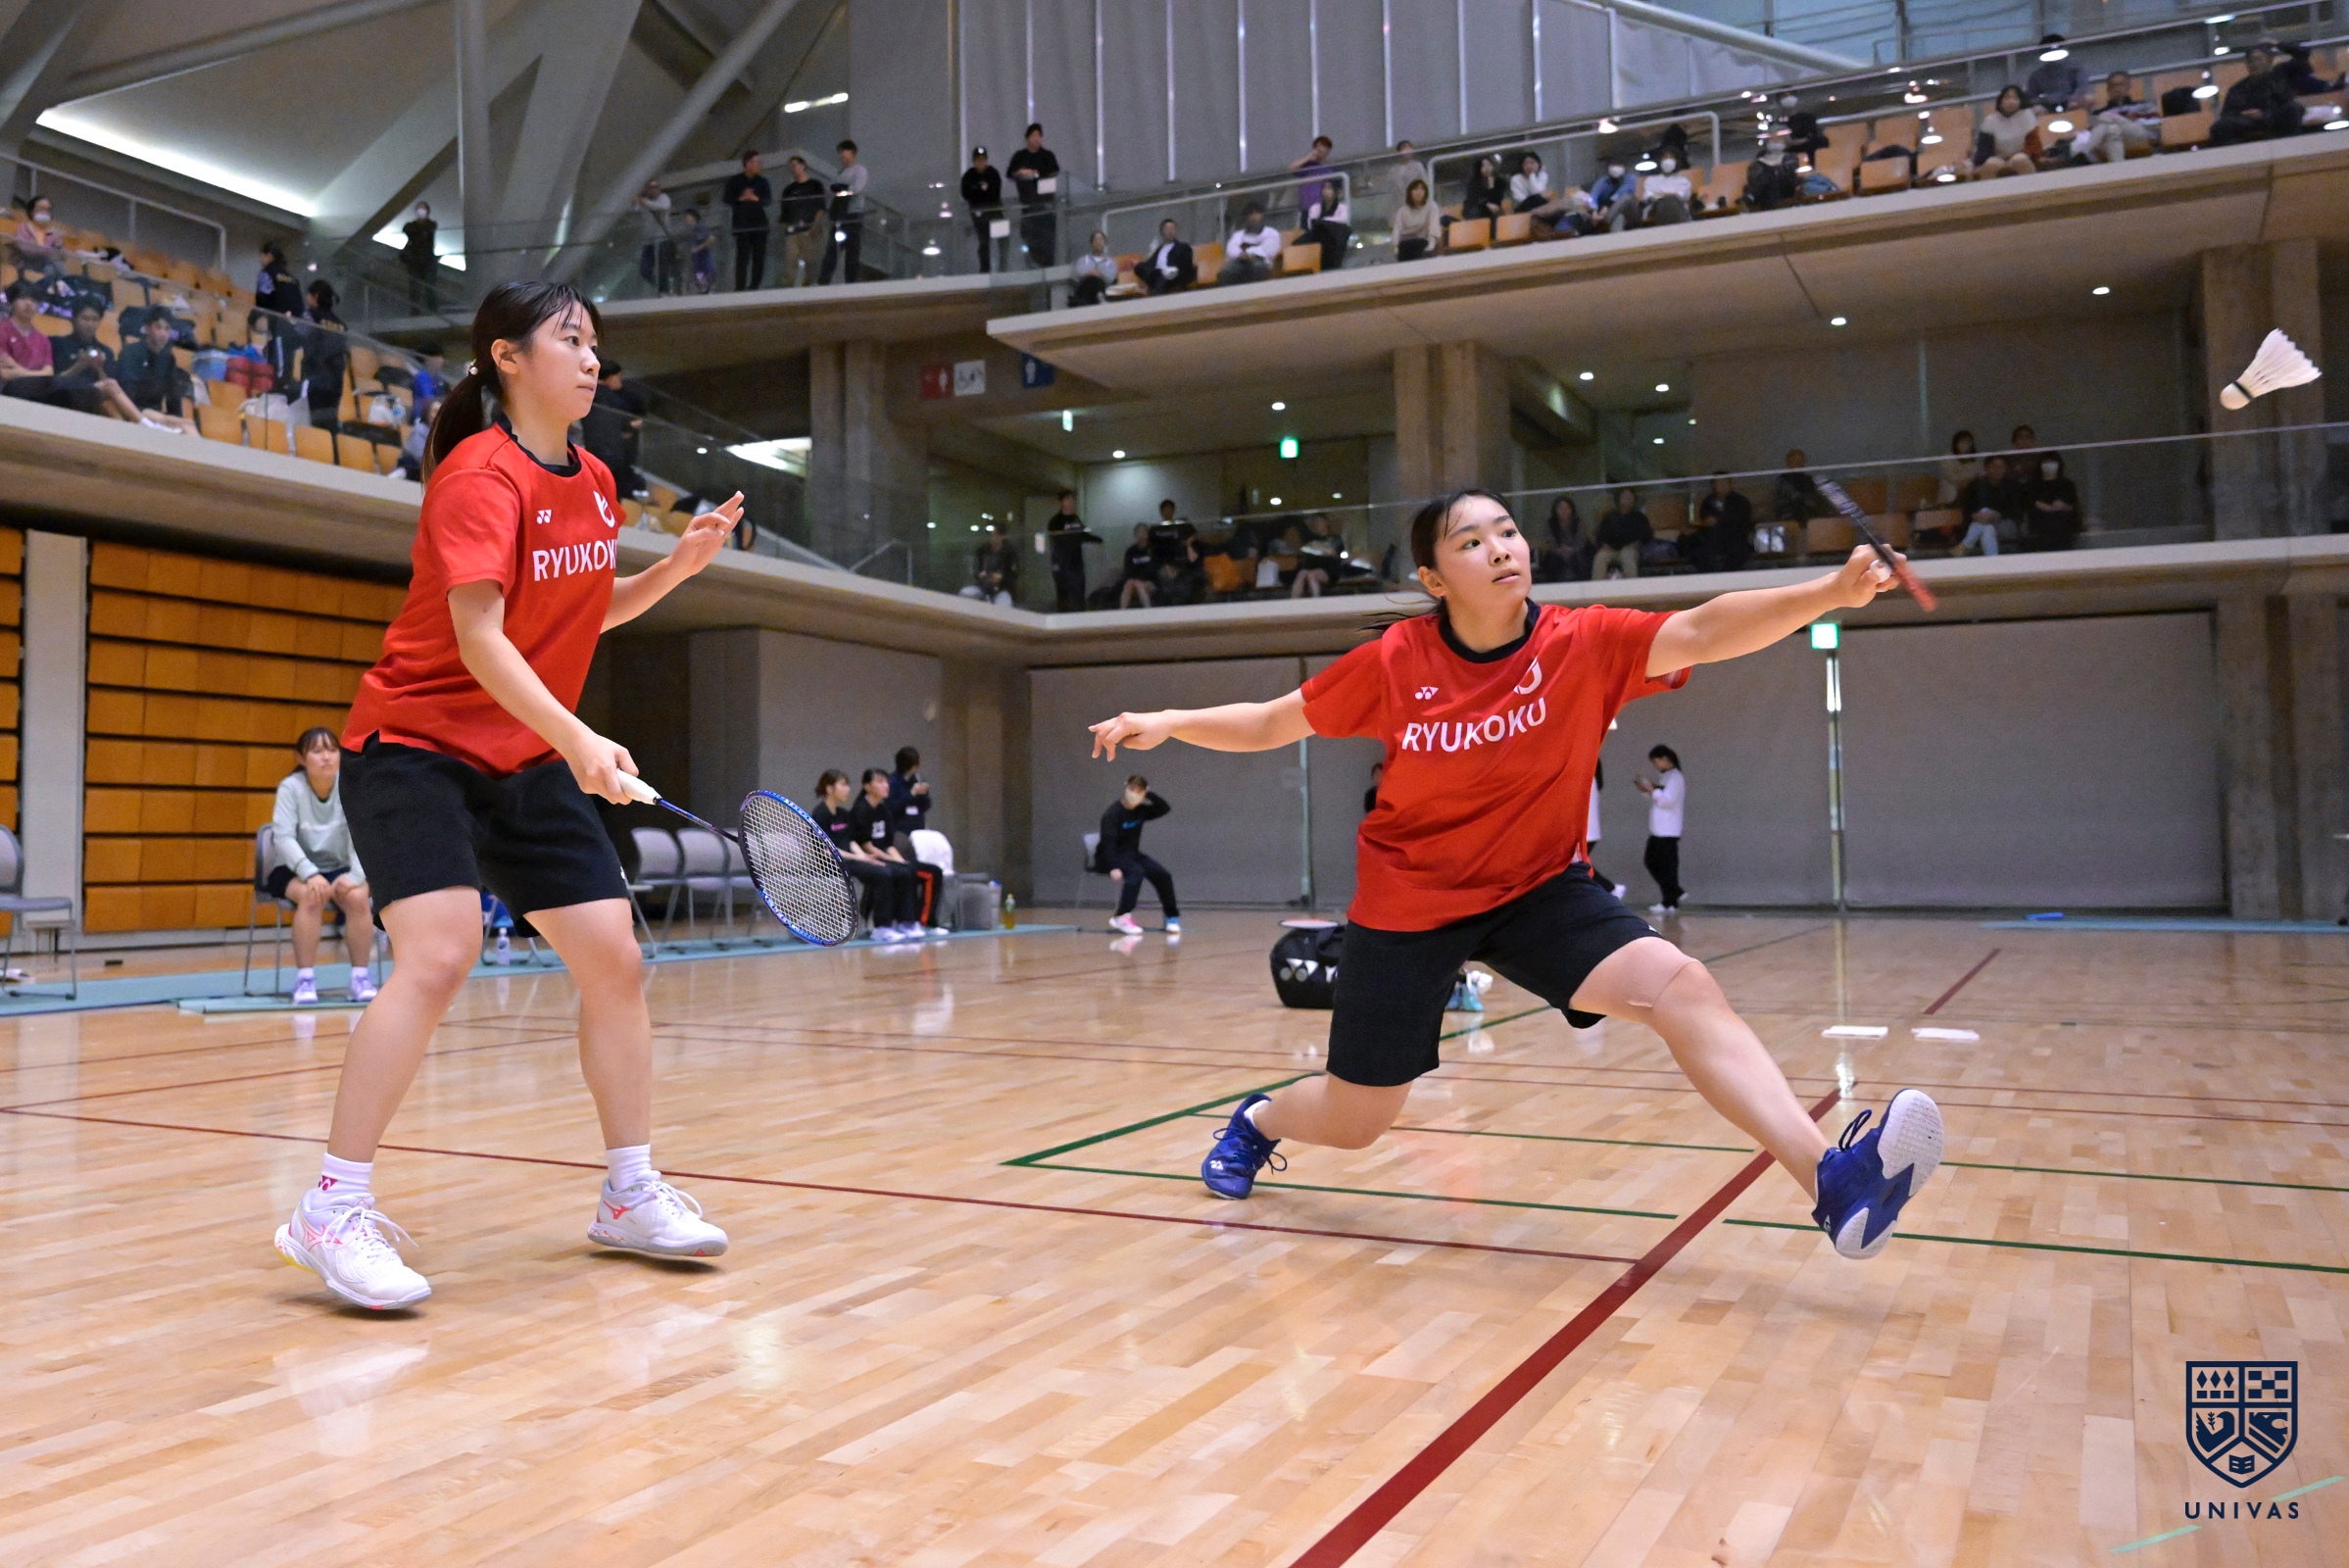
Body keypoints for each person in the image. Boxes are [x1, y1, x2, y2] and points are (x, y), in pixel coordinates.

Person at [1087, 488, 1943, 1260]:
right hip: (1410, 903)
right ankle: (1257, 1121)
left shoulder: (1581, 643)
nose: (1499, 548)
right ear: (1433, 579)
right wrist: (1171, 720)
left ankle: (1832, 1181)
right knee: (1357, 1119)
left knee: (1681, 988)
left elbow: (1703, 630)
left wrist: (1829, 592)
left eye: (1506, 531)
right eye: (1470, 541)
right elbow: (1273, 723)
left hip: (1536, 888)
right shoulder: (1396, 661)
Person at [273, 279, 745, 1312]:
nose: (592, 360)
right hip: (416, 749)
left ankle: (628, 1193)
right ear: (508, 357)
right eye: (570, 340)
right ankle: (331, 1207)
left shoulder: (595, 480)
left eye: (596, 344)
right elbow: (483, 637)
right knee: (439, 954)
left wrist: (676, 570)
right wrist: (578, 739)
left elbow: (577, 615)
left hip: (520, 756)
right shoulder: (477, 477)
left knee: (614, 958)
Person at [271, 728, 377, 1004]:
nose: (327, 757)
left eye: (332, 750)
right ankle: (305, 980)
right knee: (312, 896)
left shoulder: (350, 786)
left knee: (358, 898)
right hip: (295, 869)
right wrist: (310, 873)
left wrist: (356, 876)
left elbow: (364, 834)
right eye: (317, 751)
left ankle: (360, 978)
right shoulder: (291, 788)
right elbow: (283, 838)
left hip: (339, 867)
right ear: (301, 758)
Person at [810, 769, 926, 941]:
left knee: (899, 870)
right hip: (830, 864)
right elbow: (826, 850)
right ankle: (881, 927)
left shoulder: (843, 814)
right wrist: (859, 858)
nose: (848, 789)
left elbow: (850, 841)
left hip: (850, 860)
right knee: (882, 874)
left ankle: (905, 922)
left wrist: (865, 858)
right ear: (829, 789)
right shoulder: (820, 814)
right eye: (843, 785)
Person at [847, 768, 946, 933]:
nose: (885, 785)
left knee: (932, 871)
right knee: (904, 872)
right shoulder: (860, 810)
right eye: (880, 782)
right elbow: (866, 845)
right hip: (871, 858)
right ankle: (903, 922)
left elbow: (889, 844)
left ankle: (925, 921)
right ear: (867, 786)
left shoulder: (883, 810)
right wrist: (892, 860)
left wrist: (899, 860)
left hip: (886, 857)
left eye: (886, 782)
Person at [1097, 775, 1178, 936]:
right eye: (1132, 789)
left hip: (1132, 855)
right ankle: (1121, 916)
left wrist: (1149, 794)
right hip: (1108, 857)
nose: (1134, 793)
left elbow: (1164, 808)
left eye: (1139, 791)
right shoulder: (1112, 814)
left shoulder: (1140, 811)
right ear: (1126, 789)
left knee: (1163, 875)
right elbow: (1108, 843)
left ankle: (1171, 917)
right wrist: (1113, 866)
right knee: (1136, 872)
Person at [43, 299, 140, 419]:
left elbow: (113, 390)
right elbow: (54, 382)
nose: (90, 324)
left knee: (109, 404)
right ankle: (141, 421)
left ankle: (131, 425)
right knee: (107, 397)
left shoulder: (106, 351)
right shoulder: (57, 343)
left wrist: (99, 368)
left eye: (95, 319)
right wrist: (79, 366)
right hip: (66, 395)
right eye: (85, 318)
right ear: (74, 319)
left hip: (95, 398)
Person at [115, 309, 198, 433]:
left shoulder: (168, 358)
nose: (163, 334)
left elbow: (173, 396)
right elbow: (127, 394)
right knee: (183, 424)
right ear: (147, 329)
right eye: (158, 327)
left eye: (167, 329)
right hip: (133, 410)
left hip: (156, 414)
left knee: (188, 425)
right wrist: (165, 419)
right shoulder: (131, 352)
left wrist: (175, 419)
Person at [2211, 43, 2305, 145]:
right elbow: (2227, 114)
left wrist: (2263, 115)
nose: (2255, 64)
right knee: (2220, 127)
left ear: (2269, 61)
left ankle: (2291, 146)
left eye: (2259, 59)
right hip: (2247, 122)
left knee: (2294, 109)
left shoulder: (2280, 80)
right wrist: (2245, 115)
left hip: (2273, 118)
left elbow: (2286, 105)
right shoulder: (2237, 88)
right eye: (2251, 61)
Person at [581, 360, 646, 499]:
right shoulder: (610, 399)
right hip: (614, 455)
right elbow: (619, 423)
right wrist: (629, 426)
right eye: (618, 377)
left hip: (595, 453)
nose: (620, 381)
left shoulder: (586, 394)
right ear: (609, 377)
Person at [1634, 745, 1685, 914]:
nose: (1655, 765)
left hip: (1668, 830)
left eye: (1656, 761)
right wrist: (1648, 791)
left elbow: (1667, 801)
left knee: (1660, 864)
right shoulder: (1666, 777)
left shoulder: (1675, 777)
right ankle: (1672, 898)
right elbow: (1659, 798)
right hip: (1660, 830)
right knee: (1659, 864)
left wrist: (1652, 790)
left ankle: (1672, 897)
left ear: (1665, 759)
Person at [1006, 122, 1060, 267]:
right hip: (1027, 206)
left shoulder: (1047, 156)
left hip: (1046, 205)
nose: (1036, 139)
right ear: (1027, 138)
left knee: (1047, 241)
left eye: (1038, 136)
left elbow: (1054, 171)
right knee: (1030, 241)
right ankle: (1031, 266)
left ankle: (1047, 266)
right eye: (1033, 136)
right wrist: (1020, 172)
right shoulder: (1020, 156)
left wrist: (1035, 174)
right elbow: (1010, 173)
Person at [0, 282, 59, 403]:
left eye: (33, 300)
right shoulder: (2, 330)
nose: (28, 303)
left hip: (36, 393)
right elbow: (5, 374)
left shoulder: (43, 340)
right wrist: (38, 374)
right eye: (22, 298)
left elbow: (49, 373)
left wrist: (18, 370)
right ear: (12, 303)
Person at [722, 150, 772, 290]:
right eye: (756, 162)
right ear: (747, 163)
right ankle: (740, 287)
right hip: (742, 224)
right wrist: (741, 198)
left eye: (760, 162)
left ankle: (755, 285)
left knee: (758, 257)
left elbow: (768, 200)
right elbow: (727, 198)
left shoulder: (762, 182)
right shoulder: (735, 181)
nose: (760, 165)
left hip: (759, 224)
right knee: (742, 257)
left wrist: (755, 198)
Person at [776, 156, 828, 287]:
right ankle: (795, 286)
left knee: (811, 260)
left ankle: (811, 284)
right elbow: (784, 213)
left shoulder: (815, 185)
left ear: (803, 165)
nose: (793, 169)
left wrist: (815, 227)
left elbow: (821, 208)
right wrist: (786, 229)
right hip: (793, 231)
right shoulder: (789, 190)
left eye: (795, 165)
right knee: (791, 260)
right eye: (791, 167)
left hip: (810, 229)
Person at [2086, 72, 2160, 163]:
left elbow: (2155, 124)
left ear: (2128, 86)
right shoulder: (2098, 112)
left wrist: (2134, 119)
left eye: (2121, 85)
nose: (2117, 88)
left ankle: (2087, 150)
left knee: (2105, 116)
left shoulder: (2144, 105)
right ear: (2108, 89)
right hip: (2111, 138)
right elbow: (2091, 132)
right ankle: (2119, 166)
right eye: (2113, 86)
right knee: (2113, 129)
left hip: (2140, 134)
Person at [1044, 490, 1100, 611]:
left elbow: (1083, 534)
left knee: (1079, 592)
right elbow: (1056, 539)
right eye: (1067, 499)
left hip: (1076, 562)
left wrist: (1096, 539)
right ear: (1061, 502)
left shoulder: (1075, 519)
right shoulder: (1055, 521)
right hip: (1062, 562)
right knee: (1063, 593)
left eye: (1072, 499)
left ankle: (1079, 616)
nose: (1071, 502)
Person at [821, 140, 867, 283]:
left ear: (852, 152)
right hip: (840, 215)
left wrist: (842, 190)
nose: (841, 155)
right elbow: (832, 191)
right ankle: (824, 281)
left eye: (843, 152)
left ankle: (851, 281)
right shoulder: (840, 173)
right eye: (840, 153)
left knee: (852, 251)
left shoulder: (859, 170)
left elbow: (856, 189)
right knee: (832, 251)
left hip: (853, 214)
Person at [1692, 474, 1754, 573]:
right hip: (1712, 541)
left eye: (1724, 483)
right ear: (1713, 486)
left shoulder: (1740, 501)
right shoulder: (1708, 501)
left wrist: (1719, 520)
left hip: (1736, 540)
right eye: (1718, 483)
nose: (1722, 486)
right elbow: (1704, 518)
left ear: (1730, 484)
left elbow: (1741, 520)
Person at [1973, 86, 2038, 178]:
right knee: (1991, 164)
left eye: (2015, 98)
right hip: (1998, 158)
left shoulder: (2028, 116)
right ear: (2000, 101)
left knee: (2019, 160)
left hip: (2022, 155)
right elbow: (1984, 149)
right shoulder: (1990, 121)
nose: (2011, 101)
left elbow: (2033, 145)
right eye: (2007, 98)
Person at [1957, 454, 2017, 555]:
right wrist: (1975, 515)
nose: (1997, 470)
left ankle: (1964, 546)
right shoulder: (1976, 485)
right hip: (1981, 521)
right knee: (1988, 529)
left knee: (1987, 526)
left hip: (2002, 522)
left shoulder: (2012, 486)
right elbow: (1968, 508)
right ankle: (1993, 561)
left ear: (2006, 469)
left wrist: (1995, 515)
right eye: (1994, 466)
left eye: (2001, 467)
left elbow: (2016, 510)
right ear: (1986, 468)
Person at [2022, 450, 2080, 550]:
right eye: (2046, 462)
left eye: (2052, 462)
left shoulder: (2067, 484)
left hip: (2062, 521)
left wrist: (2063, 506)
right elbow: (2027, 503)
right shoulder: (2032, 485)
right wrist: (2039, 505)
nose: (2049, 465)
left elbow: (2073, 505)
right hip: (2040, 521)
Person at [959, 145, 1004, 272]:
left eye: (983, 159)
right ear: (974, 161)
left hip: (994, 212)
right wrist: (981, 190)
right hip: (979, 214)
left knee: (1003, 238)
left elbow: (995, 193)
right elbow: (967, 194)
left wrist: (980, 192)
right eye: (978, 160)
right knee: (984, 240)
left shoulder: (992, 173)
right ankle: (985, 269)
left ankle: (1003, 266)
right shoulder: (969, 176)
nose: (981, 162)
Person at [1591, 488, 1651, 579]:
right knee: (1600, 557)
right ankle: (1597, 586)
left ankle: (1632, 585)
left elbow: (1647, 535)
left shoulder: (1639, 517)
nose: (1627, 499)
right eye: (1624, 496)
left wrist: (1637, 543)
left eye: (1629, 496)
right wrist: (1603, 544)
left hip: (1629, 549)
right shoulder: (1609, 516)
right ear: (1618, 499)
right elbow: (1600, 534)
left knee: (1628, 557)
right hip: (1610, 549)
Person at [1219, 203, 1282, 285]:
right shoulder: (1238, 235)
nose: (1253, 217)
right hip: (1240, 262)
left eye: (1256, 213)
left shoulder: (1271, 232)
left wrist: (1248, 253)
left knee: (1257, 267)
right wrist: (1241, 254)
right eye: (1250, 214)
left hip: (1261, 262)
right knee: (1226, 272)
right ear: (1246, 217)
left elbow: (1268, 250)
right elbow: (1231, 249)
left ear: (1262, 215)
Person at [632, 181, 674, 295]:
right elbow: (636, 209)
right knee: (645, 269)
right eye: (651, 188)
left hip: (662, 239)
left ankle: (664, 290)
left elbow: (663, 207)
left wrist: (646, 203)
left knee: (662, 266)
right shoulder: (644, 201)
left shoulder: (663, 198)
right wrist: (637, 200)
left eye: (656, 188)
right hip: (648, 241)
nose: (653, 190)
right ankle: (657, 285)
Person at [2025, 34, 2089, 109]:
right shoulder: (2037, 76)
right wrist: (2044, 100)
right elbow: (2031, 98)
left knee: (2088, 99)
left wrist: (2073, 100)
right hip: (2047, 107)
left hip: (2072, 103)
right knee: (2037, 109)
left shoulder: (2075, 69)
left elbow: (2082, 87)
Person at [1534, 495, 1588, 583]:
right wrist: (1558, 550)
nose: (1564, 511)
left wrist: (1572, 549)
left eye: (1566, 508)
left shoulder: (1578, 523)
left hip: (1575, 551)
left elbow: (1581, 539)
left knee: (1579, 559)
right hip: (1556, 552)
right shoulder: (1550, 524)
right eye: (1560, 508)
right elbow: (1548, 540)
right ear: (1555, 510)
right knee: (1552, 560)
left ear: (1571, 510)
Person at [961, 522, 1018, 605]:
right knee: (965, 593)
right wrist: (980, 574)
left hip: (1002, 590)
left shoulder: (1010, 552)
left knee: (1003, 605)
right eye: (991, 535)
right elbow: (976, 568)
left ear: (1002, 536)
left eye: (996, 535)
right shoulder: (982, 550)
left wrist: (1001, 578)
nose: (993, 538)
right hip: (983, 587)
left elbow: (1013, 574)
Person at [1136, 218, 1195, 293]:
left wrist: (1172, 269)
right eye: (1167, 229)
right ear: (1162, 232)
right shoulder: (1159, 250)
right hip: (1158, 273)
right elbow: (1150, 263)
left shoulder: (1182, 246)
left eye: (1172, 229)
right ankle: (1149, 287)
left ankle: (1155, 293)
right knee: (1140, 267)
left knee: (1161, 278)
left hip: (1174, 274)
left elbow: (1186, 264)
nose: (1170, 231)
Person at [885, 746, 933, 839]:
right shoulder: (892, 782)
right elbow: (892, 808)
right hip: (900, 830)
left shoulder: (916, 780)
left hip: (918, 828)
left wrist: (924, 794)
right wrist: (911, 794)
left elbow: (925, 806)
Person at [1303, 179, 1350, 272]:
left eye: (1329, 188)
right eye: (1324, 188)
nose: (1325, 191)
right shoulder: (1315, 207)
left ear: (1336, 191)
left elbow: (1342, 220)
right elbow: (1311, 223)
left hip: (1334, 238)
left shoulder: (1342, 207)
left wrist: (1324, 221)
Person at [401, 202, 439, 312]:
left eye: (422, 208)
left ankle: (432, 309)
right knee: (415, 286)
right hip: (415, 260)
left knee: (429, 286)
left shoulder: (431, 225)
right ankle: (415, 310)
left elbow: (429, 229)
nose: (420, 211)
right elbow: (407, 229)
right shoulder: (411, 226)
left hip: (428, 259)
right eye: (418, 208)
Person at [1393, 178, 1441, 261]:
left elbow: (1434, 226)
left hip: (1424, 242)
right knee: (1404, 247)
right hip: (1406, 243)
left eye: (1422, 189)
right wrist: (1395, 246)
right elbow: (1397, 229)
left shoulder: (1432, 207)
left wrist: (1431, 243)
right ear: (1410, 192)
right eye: (1415, 189)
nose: (1419, 192)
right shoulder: (1402, 211)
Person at [1640, 154, 1694, 225]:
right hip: (1656, 210)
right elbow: (1648, 197)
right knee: (1667, 200)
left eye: (1671, 157)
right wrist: (1668, 195)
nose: (1668, 160)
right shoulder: (1650, 180)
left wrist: (1661, 195)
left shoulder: (1683, 180)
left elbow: (1681, 197)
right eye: (1665, 157)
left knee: (1671, 200)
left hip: (1678, 210)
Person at [1587, 158, 1639, 231]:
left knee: (1626, 197)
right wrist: (1594, 211)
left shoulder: (1630, 178)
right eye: (1613, 165)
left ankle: (1605, 219)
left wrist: (1607, 206)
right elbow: (1593, 195)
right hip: (1614, 213)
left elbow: (1623, 192)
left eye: (1618, 165)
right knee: (1619, 217)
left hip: (1630, 212)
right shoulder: (1604, 181)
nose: (1615, 168)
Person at [1773, 449, 1821, 523]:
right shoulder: (1783, 479)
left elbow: (1813, 495)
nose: (1798, 463)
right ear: (1788, 462)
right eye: (1794, 460)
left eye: (1800, 460)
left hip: (1807, 512)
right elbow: (1793, 496)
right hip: (1788, 512)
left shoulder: (1808, 479)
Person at [257, 241, 303, 318]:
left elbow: (262, 300)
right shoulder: (293, 280)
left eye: (262, 255)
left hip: (270, 320)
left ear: (269, 256)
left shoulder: (267, 274)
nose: (260, 259)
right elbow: (299, 307)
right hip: (289, 322)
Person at [1070, 230, 1117, 305]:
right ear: (1091, 243)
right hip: (1085, 290)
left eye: (1100, 239)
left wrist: (1100, 274)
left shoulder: (1110, 262)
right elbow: (1076, 274)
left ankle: (1100, 298)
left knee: (1096, 280)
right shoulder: (1084, 259)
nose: (1098, 242)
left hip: (1103, 287)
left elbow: (1110, 278)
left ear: (1104, 243)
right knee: (1091, 279)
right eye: (1095, 240)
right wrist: (1089, 274)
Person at [1935, 429, 1980, 507]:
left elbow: (1979, 475)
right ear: (1956, 443)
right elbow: (1951, 477)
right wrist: (1964, 482)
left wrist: (1969, 481)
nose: (1966, 444)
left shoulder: (1974, 461)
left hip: (1969, 491)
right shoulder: (1948, 458)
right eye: (1962, 441)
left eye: (1968, 442)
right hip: (1951, 490)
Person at [1461, 155, 1507, 223]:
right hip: (1475, 211)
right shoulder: (1473, 182)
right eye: (1483, 166)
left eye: (1489, 165)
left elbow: (1497, 201)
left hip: (1491, 213)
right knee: (1476, 211)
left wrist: (1491, 187)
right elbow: (1473, 200)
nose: (1487, 168)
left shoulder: (1499, 182)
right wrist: (1486, 204)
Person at [1119, 523, 1156, 609]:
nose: (1141, 535)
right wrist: (1134, 579)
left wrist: (1140, 579)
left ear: (1147, 534)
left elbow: (1154, 568)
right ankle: (1122, 611)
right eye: (1138, 532)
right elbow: (1128, 569)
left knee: (1139, 584)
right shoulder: (1130, 551)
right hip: (1133, 581)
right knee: (1128, 583)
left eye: (1143, 532)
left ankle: (1148, 608)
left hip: (1150, 582)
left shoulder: (1153, 549)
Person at [1385, 140, 1427, 212]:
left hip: (1416, 205)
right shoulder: (1393, 171)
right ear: (1399, 151)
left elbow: (1425, 184)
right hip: (1399, 206)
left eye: (1410, 147)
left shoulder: (1417, 166)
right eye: (1405, 147)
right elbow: (1390, 190)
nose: (1408, 150)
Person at [684, 211, 718, 293]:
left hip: (704, 257)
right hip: (697, 261)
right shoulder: (691, 231)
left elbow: (711, 238)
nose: (686, 220)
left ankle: (709, 289)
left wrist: (699, 247)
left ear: (693, 218)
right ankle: (704, 289)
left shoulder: (700, 229)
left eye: (687, 217)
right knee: (700, 278)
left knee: (707, 278)